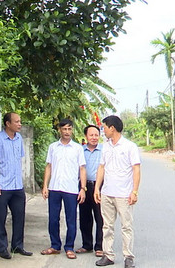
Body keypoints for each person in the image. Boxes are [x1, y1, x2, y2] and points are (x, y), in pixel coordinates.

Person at [94, 115, 141, 268]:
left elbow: (136, 169)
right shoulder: (105, 146)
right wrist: (97, 188)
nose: (103, 131)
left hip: (124, 194)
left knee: (126, 226)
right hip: (107, 192)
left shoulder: (129, 146)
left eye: (105, 127)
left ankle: (128, 257)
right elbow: (101, 167)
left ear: (112, 128)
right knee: (107, 225)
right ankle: (108, 255)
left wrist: (134, 191)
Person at [0, 112, 33, 259]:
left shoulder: (19, 138)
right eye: (17, 122)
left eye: (20, 121)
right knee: (0, 218)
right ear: (8, 123)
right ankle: (2, 248)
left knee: (19, 216)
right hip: (2, 186)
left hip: (17, 185)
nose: (19, 124)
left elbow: (18, 159)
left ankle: (17, 245)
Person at [40, 118, 86, 260]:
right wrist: (45, 186)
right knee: (53, 219)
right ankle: (55, 246)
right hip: (54, 188)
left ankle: (69, 247)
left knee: (71, 219)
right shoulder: (53, 147)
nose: (67, 132)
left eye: (69, 129)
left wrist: (83, 188)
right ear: (59, 130)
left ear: (72, 130)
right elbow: (49, 166)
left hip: (71, 189)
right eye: (64, 129)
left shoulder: (78, 148)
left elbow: (82, 168)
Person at [77, 125, 104, 257]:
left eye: (96, 135)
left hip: (99, 186)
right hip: (83, 186)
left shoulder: (104, 150)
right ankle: (86, 245)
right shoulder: (80, 150)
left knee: (100, 217)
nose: (94, 138)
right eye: (91, 135)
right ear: (86, 136)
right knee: (84, 217)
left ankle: (99, 246)